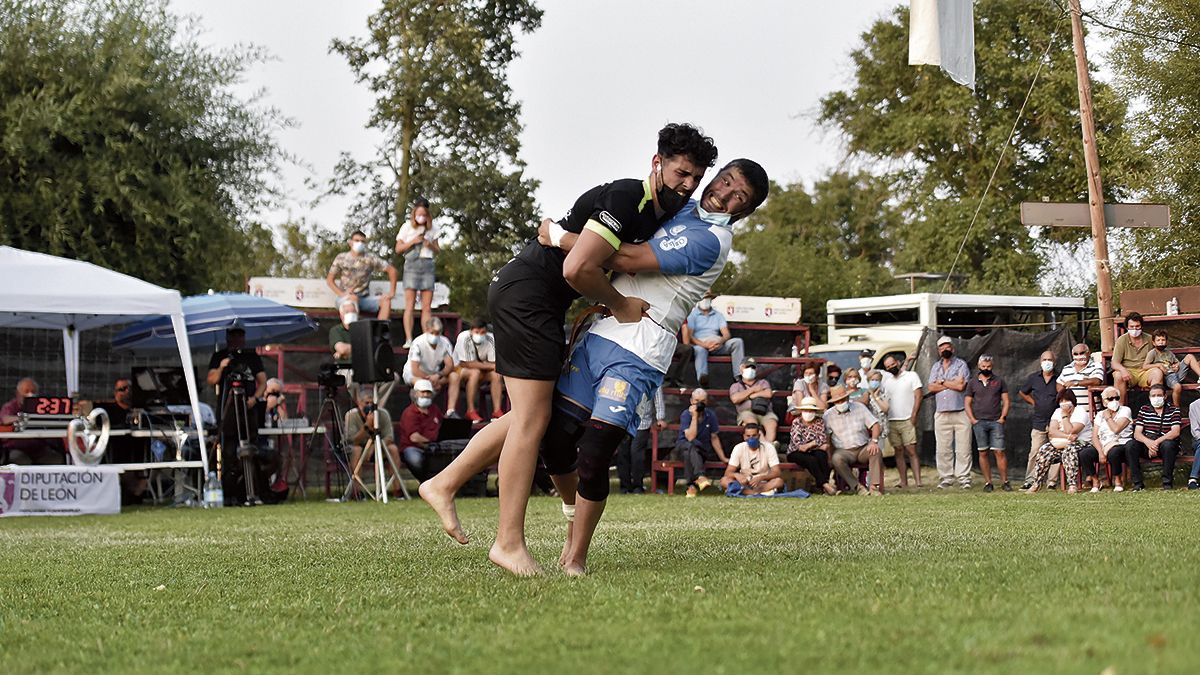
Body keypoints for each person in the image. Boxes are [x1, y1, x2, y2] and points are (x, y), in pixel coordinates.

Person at [418, 123, 717, 575]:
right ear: (657, 163)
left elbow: (589, 252)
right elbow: (579, 268)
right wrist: (619, 306)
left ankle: (444, 482)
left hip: (537, 299)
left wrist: (558, 236)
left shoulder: (662, 213)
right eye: (681, 172)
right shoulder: (625, 198)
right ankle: (508, 544)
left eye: (696, 176)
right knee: (533, 421)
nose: (688, 184)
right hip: (529, 296)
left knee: (529, 416)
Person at [538, 158, 768, 574]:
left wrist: (557, 235)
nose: (726, 192)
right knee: (554, 441)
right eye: (727, 180)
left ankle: (576, 557)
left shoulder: (712, 238)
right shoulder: (679, 207)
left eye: (740, 196)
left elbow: (626, 258)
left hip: (640, 348)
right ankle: (573, 524)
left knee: (594, 452)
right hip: (600, 331)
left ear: (743, 210)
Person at [207, 323, 267, 504]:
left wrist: (254, 399)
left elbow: (263, 382)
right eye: (233, 336)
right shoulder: (220, 356)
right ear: (227, 338)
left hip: (247, 409)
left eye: (240, 336)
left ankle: (253, 490)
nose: (237, 340)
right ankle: (229, 493)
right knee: (229, 451)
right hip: (228, 409)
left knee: (251, 448)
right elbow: (211, 379)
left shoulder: (251, 357)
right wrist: (222, 367)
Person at [344, 387, 408, 498]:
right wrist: (367, 426)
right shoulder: (351, 415)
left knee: (393, 449)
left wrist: (374, 447)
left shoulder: (383, 414)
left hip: (379, 447)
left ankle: (397, 489)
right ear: (359, 403)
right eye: (366, 403)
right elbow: (353, 440)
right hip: (359, 448)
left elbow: (389, 437)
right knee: (356, 450)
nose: (369, 406)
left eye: (371, 403)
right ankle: (357, 491)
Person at [1116, 383, 1181, 491]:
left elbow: (1175, 432)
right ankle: (1137, 484)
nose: (1156, 398)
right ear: (1149, 397)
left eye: (1159, 395)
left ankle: (1167, 483)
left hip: (1164, 443)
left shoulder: (1174, 410)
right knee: (1130, 445)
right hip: (1147, 443)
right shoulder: (1144, 409)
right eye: (1153, 395)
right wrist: (1149, 443)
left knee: (1168, 445)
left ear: (1165, 396)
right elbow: (1137, 433)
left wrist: (1156, 443)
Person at [395, 197, 440, 347]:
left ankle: (426, 337)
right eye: (418, 214)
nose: (421, 217)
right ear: (414, 213)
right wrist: (412, 241)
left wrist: (429, 244)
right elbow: (398, 249)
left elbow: (438, 250)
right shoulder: (407, 227)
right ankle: (409, 339)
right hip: (411, 265)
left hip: (427, 265)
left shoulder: (434, 228)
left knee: (426, 307)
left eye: (424, 214)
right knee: (410, 305)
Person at [1026, 389, 1090, 494]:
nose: (1064, 404)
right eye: (1061, 401)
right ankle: (1036, 483)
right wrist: (1067, 436)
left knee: (1069, 451)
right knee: (1044, 450)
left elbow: (1071, 430)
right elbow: (1052, 431)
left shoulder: (1080, 412)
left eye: (1066, 400)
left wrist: (1065, 416)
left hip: (1081, 443)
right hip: (1062, 443)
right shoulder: (1057, 412)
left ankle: (1072, 484)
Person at [326, 229, 398, 321]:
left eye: (362, 241)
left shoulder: (370, 258)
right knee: (350, 307)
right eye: (356, 240)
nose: (359, 243)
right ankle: (351, 332)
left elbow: (392, 271)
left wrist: (392, 292)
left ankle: (378, 331)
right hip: (346, 298)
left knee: (386, 301)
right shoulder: (341, 257)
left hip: (364, 299)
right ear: (350, 242)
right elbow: (329, 280)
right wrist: (342, 294)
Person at [928, 335, 971, 489]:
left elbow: (961, 386)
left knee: (963, 448)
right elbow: (931, 387)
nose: (945, 349)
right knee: (943, 448)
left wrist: (942, 382)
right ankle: (946, 477)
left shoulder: (961, 364)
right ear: (938, 350)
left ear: (952, 348)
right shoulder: (935, 367)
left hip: (960, 411)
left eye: (947, 346)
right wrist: (951, 383)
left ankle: (964, 478)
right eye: (942, 347)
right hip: (941, 412)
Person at [824, 385, 883, 495]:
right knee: (836, 459)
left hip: (863, 447)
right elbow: (827, 437)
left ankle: (874, 487)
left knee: (876, 451)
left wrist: (874, 441)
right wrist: (829, 455)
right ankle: (857, 486)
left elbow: (875, 425)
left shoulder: (859, 407)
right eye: (838, 401)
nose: (841, 403)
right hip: (843, 450)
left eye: (843, 399)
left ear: (847, 398)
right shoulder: (828, 415)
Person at [965, 354, 1011, 493]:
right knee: (983, 452)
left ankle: (1005, 481)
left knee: (999, 451)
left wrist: (1003, 417)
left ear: (992, 366)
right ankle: (988, 482)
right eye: (984, 366)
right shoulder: (972, 382)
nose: (986, 369)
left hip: (995, 421)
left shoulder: (999, 381)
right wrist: (972, 419)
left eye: (989, 366)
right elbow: (967, 402)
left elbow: (1006, 401)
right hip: (979, 422)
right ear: (979, 366)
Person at [681, 291, 744, 386]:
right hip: (700, 344)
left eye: (707, 298)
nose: (705, 301)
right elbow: (690, 336)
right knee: (699, 350)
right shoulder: (692, 315)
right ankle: (703, 378)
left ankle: (738, 375)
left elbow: (726, 334)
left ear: (711, 300)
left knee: (737, 342)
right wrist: (704, 344)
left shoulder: (718, 315)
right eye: (703, 298)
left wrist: (720, 341)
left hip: (717, 344)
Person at [447, 318, 504, 422]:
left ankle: (497, 411)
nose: (480, 335)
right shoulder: (463, 337)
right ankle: (471, 410)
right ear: (471, 331)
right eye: (477, 332)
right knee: (475, 373)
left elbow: (493, 362)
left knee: (496, 374)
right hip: (461, 370)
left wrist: (490, 366)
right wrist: (489, 366)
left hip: (482, 370)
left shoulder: (490, 339)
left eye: (482, 332)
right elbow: (466, 363)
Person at [1019, 350, 1060, 491]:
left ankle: (1052, 482)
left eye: (1050, 359)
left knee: (1055, 451)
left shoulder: (1059, 378)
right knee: (1035, 451)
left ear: (1054, 362)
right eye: (1044, 359)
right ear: (1040, 362)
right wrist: (1033, 402)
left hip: (1055, 421)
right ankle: (1030, 480)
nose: (1047, 362)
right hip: (1039, 421)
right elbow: (1023, 392)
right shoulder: (1033, 378)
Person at [881, 353, 922, 488]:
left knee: (911, 450)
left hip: (907, 419)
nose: (891, 367)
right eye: (888, 366)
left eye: (893, 364)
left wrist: (914, 414)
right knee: (898, 451)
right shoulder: (888, 382)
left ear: (898, 363)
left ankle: (918, 482)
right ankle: (903, 482)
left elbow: (918, 396)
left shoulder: (911, 376)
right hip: (892, 420)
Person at [1079, 386, 1131, 492]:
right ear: (1104, 402)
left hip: (1120, 443)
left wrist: (1108, 417)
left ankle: (1117, 480)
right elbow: (1094, 436)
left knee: (1114, 452)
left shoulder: (1125, 410)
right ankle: (1095, 480)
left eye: (1116, 398)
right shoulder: (1099, 414)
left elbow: (1116, 429)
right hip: (1103, 445)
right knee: (1085, 454)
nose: (1114, 401)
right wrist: (1100, 452)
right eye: (1110, 399)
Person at [1, 378, 64, 465]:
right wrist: (25, 418)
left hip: (39, 449)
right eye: (26, 391)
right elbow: (6, 419)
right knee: (22, 461)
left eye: (33, 391)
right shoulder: (10, 406)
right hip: (16, 448)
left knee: (56, 459)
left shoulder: (41, 407)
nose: (30, 394)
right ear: (18, 394)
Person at [676, 388, 726, 498]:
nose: (699, 403)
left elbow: (714, 437)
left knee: (691, 451)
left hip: (701, 449)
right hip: (683, 446)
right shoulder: (686, 414)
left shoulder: (710, 415)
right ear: (691, 401)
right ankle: (700, 477)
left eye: (703, 401)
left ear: (707, 402)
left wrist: (722, 457)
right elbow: (690, 437)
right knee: (689, 446)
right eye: (696, 400)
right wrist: (694, 416)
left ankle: (691, 486)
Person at [616, 387, 666, 494]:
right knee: (623, 454)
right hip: (623, 420)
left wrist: (660, 417)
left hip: (642, 421)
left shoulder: (653, 374)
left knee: (637, 454)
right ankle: (625, 486)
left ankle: (637, 485)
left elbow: (658, 396)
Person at [786, 396, 836, 495]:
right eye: (806, 410)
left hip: (812, 450)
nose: (808, 413)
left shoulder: (819, 421)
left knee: (822, 455)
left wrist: (811, 445)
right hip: (795, 452)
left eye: (810, 410)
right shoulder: (796, 422)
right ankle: (825, 485)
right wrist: (815, 444)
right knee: (811, 459)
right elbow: (799, 445)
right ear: (801, 411)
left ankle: (823, 487)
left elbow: (822, 438)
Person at [397, 379, 443, 483]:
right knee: (415, 460)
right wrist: (430, 443)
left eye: (428, 392)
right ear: (415, 394)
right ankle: (424, 481)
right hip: (413, 448)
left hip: (435, 446)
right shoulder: (410, 413)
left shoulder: (434, 410)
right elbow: (414, 437)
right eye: (422, 392)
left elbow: (442, 425)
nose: (425, 395)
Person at [720, 423, 784, 496]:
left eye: (754, 435)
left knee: (779, 482)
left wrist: (761, 477)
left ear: (759, 436)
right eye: (748, 436)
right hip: (744, 483)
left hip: (762, 483)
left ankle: (747, 492)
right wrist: (737, 475)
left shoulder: (769, 447)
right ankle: (753, 493)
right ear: (744, 437)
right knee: (724, 481)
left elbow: (777, 472)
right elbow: (728, 472)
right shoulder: (738, 448)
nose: (751, 438)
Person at [1143, 329, 1200, 407]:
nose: (1161, 342)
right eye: (1158, 340)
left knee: (1189, 356)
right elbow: (1145, 366)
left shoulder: (1169, 353)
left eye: (1163, 340)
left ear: (1166, 342)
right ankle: (1176, 408)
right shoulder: (1152, 353)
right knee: (1177, 387)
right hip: (1166, 376)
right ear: (1153, 342)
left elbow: (1176, 362)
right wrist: (1158, 365)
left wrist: (1177, 365)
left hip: (1175, 373)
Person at [1111, 312, 1159, 403]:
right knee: (1118, 375)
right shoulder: (1121, 340)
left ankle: (1155, 407)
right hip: (1128, 372)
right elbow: (1114, 363)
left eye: (1137, 326)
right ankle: (1120, 409)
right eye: (1131, 327)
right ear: (1127, 327)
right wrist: (1123, 370)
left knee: (1157, 373)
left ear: (1142, 326)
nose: (1135, 329)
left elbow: (1161, 353)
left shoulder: (1150, 339)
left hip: (1145, 371)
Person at [728, 358, 777, 443]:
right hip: (746, 412)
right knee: (752, 424)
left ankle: (767, 446)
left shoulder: (763, 382)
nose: (750, 369)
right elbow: (735, 399)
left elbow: (768, 394)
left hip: (765, 411)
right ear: (741, 368)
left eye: (752, 367)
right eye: (747, 367)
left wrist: (749, 396)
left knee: (772, 424)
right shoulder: (736, 386)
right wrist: (753, 390)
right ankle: (768, 447)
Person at [402, 317, 454, 391]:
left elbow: (449, 365)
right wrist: (430, 380)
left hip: (435, 375)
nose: (434, 336)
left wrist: (438, 375)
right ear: (427, 330)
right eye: (432, 333)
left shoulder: (445, 342)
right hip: (414, 375)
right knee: (423, 385)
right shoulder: (418, 343)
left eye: (437, 333)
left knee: (455, 377)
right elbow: (415, 369)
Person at [1057, 343, 1104, 408]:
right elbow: (1059, 383)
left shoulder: (1096, 365)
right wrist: (1064, 396)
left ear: (1088, 353)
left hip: (1091, 412)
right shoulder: (1067, 368)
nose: (1079, 356)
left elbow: (1097, 381)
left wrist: (1076, 383)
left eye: (1082, 353)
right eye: (1076, 354)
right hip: (1072, 412)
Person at [329, 297, 358, 366]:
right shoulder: (336, 330)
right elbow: (342, 349)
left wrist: (346, 352)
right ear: (341, 315)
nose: (351, 314)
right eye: (347, 312)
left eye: (353, 312)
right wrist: (361, 349)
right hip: (345, 368)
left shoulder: (363, 328)